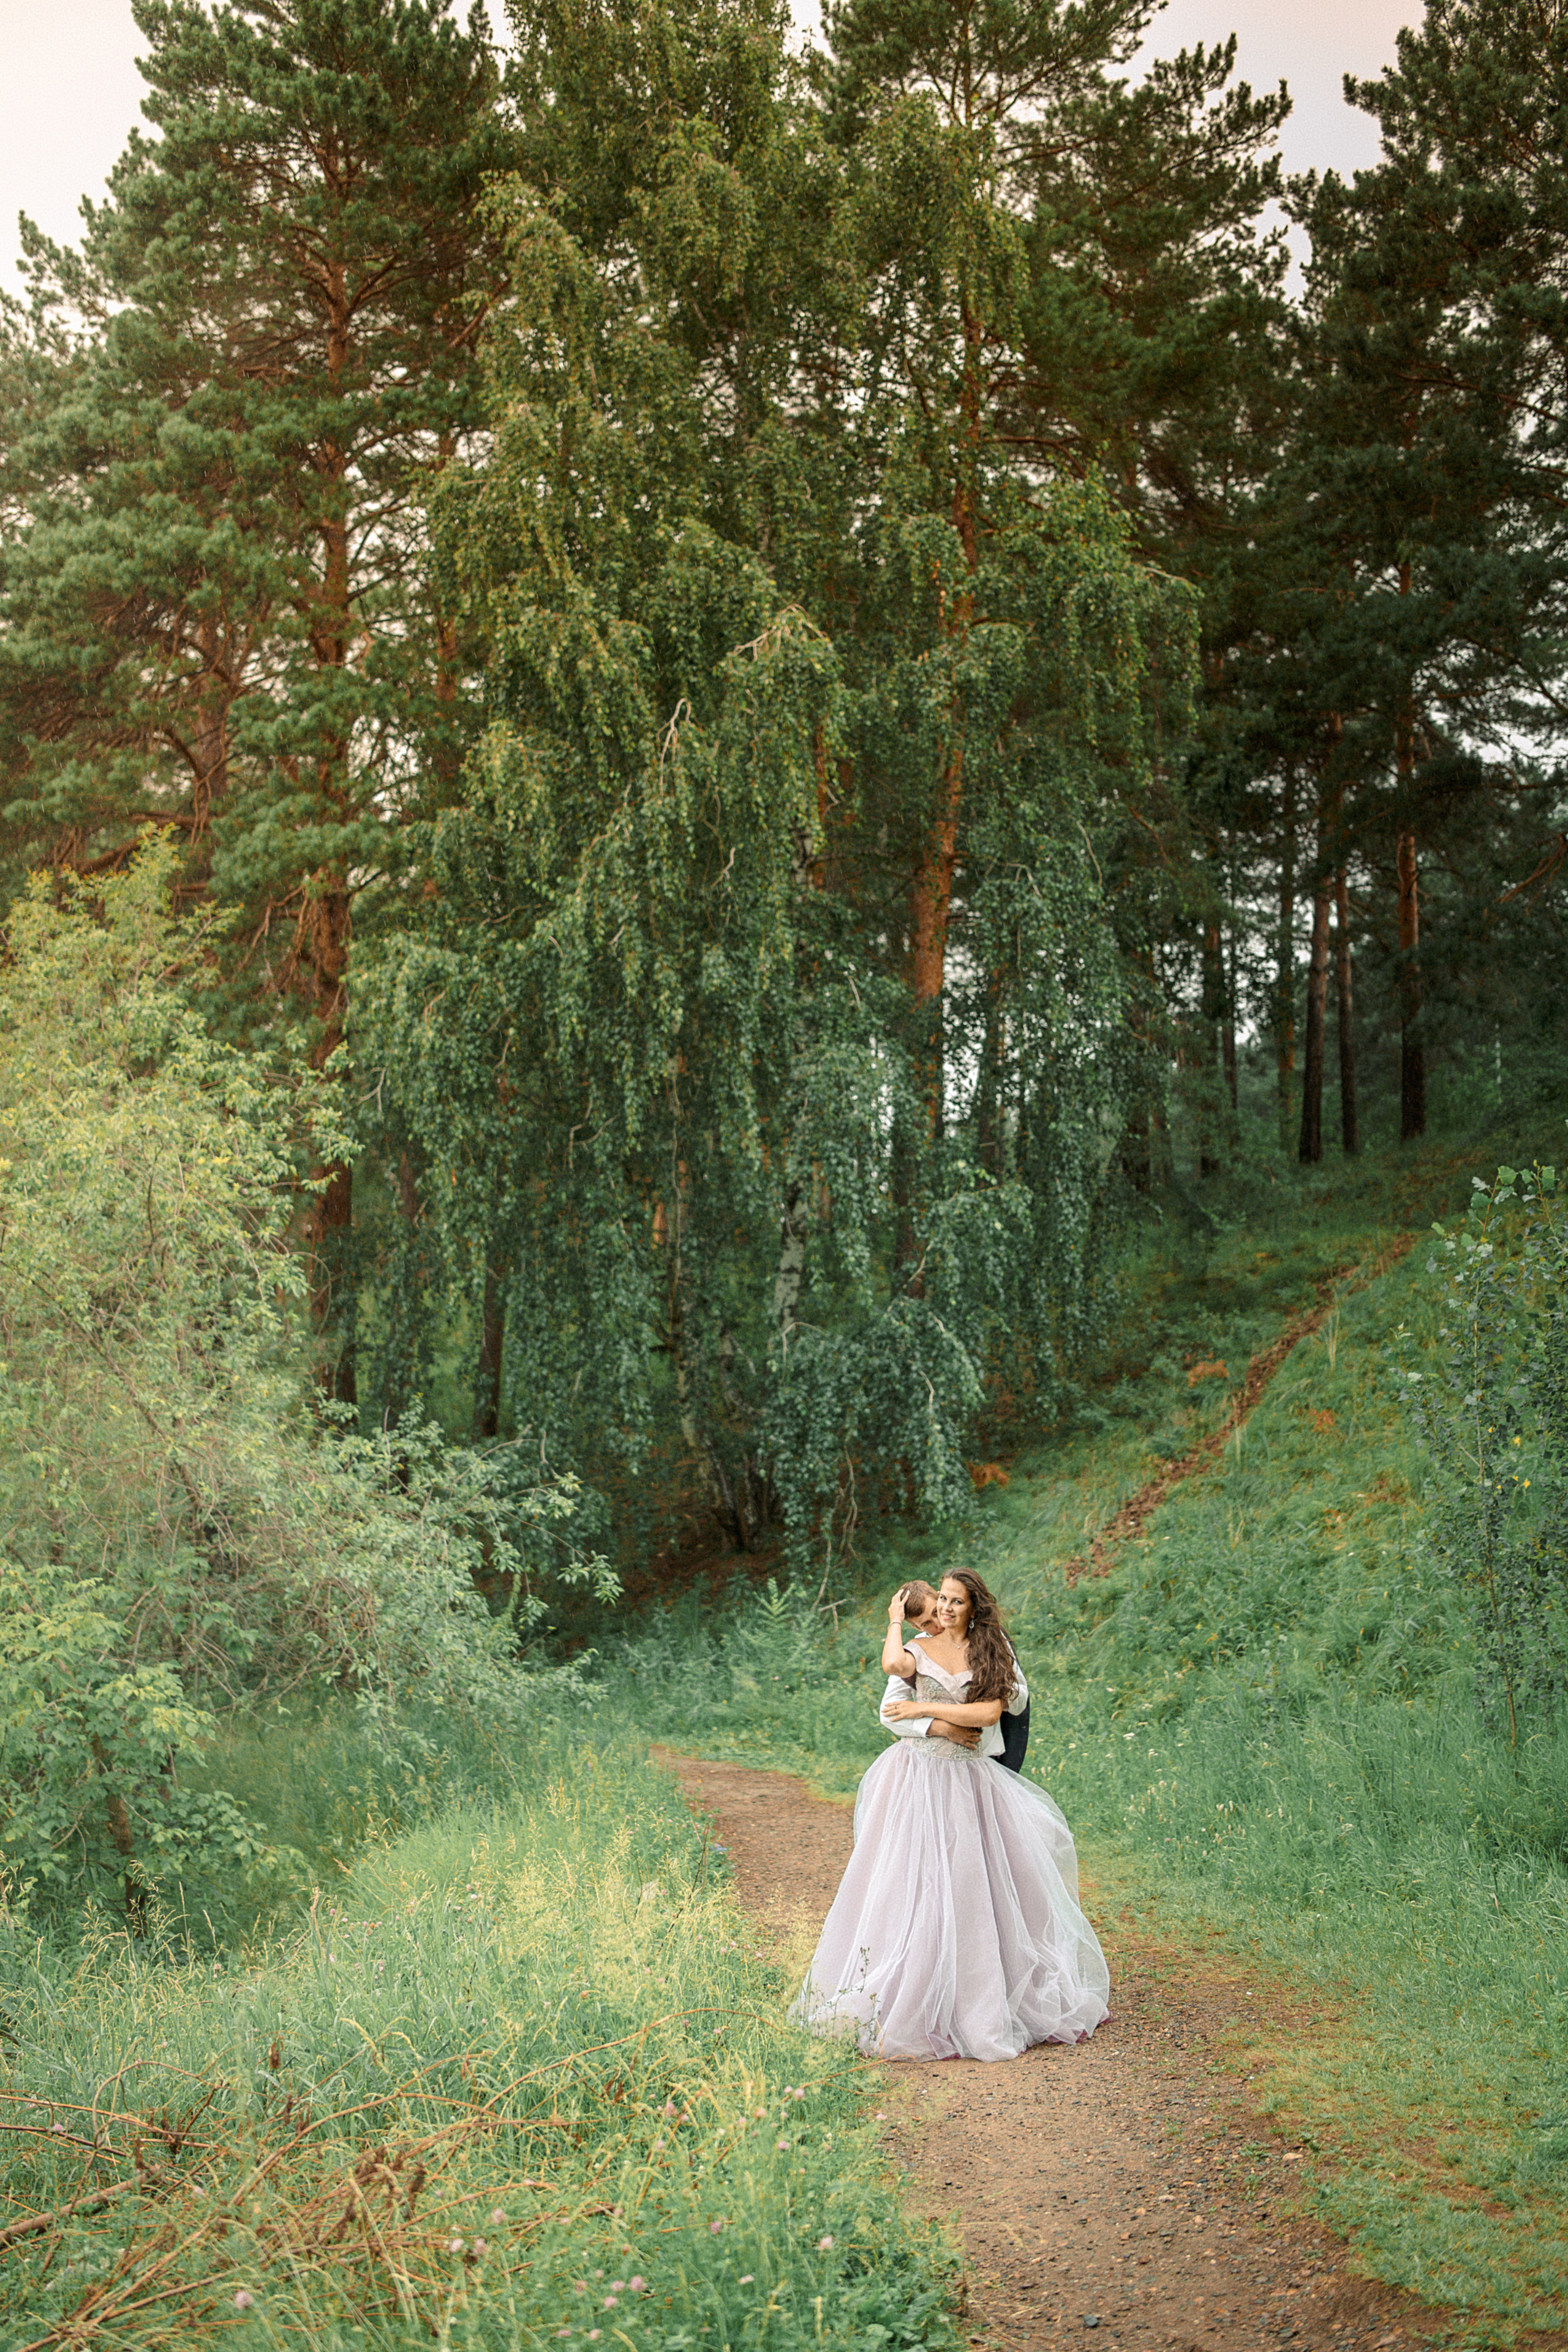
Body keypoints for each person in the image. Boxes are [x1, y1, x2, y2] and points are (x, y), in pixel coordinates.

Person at [796, 1570, 1109, 2063]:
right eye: (941, 1599)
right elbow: (891, 1713)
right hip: (919, 1780)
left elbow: (995, 1710)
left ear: (973, 1608)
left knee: (976, 1884)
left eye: (955, 1602)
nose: (944, 1608)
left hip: (971, 1780)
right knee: (910, 1883)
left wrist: (952, 1708)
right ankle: (910, 1993)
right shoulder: (915, 1650)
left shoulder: (992, 1646)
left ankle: (983, 1997)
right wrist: (938, 1723)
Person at [878, 1579, 1029, 1770]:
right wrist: (944, 1729)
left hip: (986, 1755)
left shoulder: (990, 1639)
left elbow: (1020, 1701)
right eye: (926, 1624)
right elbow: (888, 1713)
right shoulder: (916, 1649)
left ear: (941, 1599)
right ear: (917, 1627)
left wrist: (992, 1681)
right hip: (930, 1761)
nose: (939, 1624)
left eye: (936, 1612)